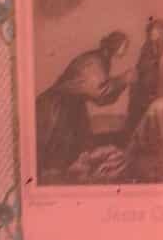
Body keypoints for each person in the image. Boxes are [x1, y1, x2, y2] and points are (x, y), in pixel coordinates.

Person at [35, 31, 129, 178]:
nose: (126, 49)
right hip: (58, 107)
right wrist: (124, 79)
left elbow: (101, 96)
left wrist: (121, 81)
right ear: (115, 45)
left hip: (72, 105)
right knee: (58, 153)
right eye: (124, 45)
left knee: (75, 151)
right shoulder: (94, 61)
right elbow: (100, 93)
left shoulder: (102, 59)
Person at [124, 17, 163, 138]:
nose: (152, 34)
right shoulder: (147, 47)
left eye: (156, 31)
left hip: (160, 88)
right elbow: (141, 67)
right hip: (144, 88)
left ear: (162, 32)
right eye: (151, 31)